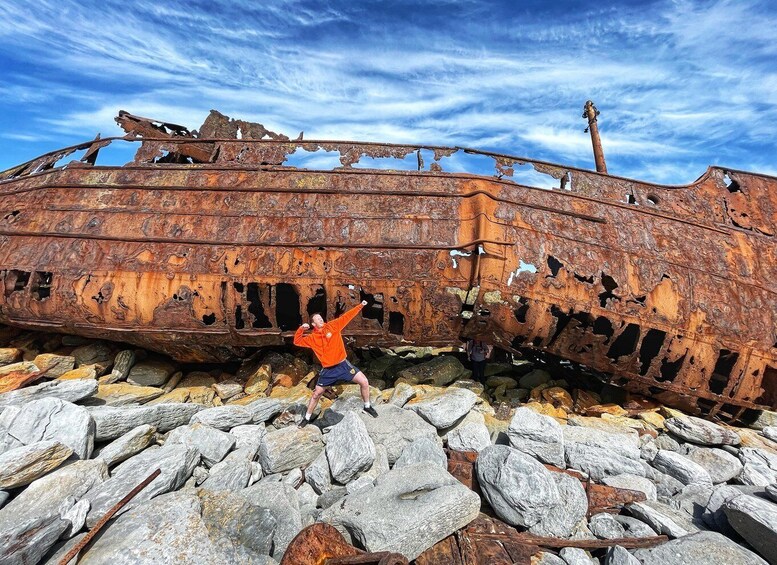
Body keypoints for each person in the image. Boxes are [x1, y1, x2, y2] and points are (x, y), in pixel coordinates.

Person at [293, 300, 378, 427]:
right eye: (318, 319)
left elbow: (347, 317)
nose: (321, 320)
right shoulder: (311, 338)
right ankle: (307, 418)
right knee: (316, 394)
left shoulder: (333, 326)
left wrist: (361, 306)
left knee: (364, 382)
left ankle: (367, 406)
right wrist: (301, 329)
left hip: (343, 365)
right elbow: (297, 341)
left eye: (321, 318)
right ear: (313, 323)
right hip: (328, 370)